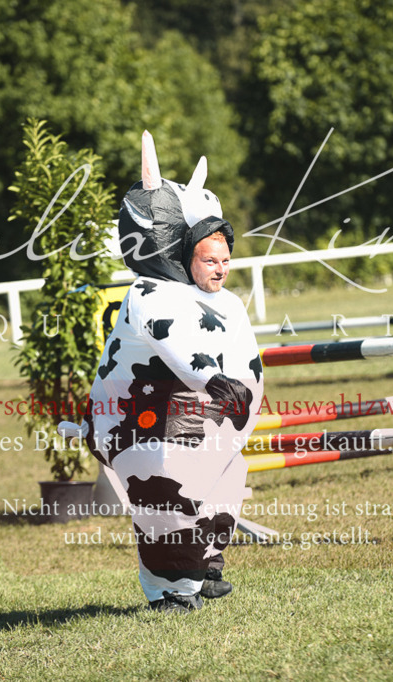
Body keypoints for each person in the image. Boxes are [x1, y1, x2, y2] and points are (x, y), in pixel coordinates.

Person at [80, 131, 263, 614]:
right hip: (133, 418)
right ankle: (168, 586)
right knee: (164, 484)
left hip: (180, 414)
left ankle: (203, 562)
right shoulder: (148, 294)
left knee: (226, 473)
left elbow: (233, 348)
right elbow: (176, 344)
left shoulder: (211, 298)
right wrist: (216, 382)